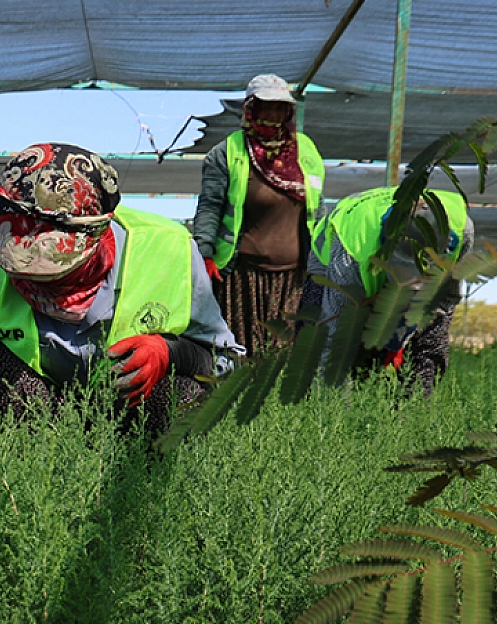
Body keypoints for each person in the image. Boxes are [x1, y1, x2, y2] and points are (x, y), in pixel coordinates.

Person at [0, 143, 242, 437]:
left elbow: (226, 360)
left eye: (52, 272)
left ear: (95, 238)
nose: (34, 284)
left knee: (184, 393)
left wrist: (172, 352)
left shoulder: (170, 252)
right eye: (22, 271)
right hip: (39, 415)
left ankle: (147, 491)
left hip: (129, 415)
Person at [191, 74, 325, 358]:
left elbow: (318, 208)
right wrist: (205, 254)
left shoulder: (306, 150)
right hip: (242, 276)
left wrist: (323, 257)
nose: (273, 114)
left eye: (279, 108)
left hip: (295, 277)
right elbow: (210, 206)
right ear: (251, 108)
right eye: (266, 106)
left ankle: (281, 404)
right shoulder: (228, 152)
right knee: (243, 353)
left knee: (284, 353)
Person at [306, 186, 475, 393]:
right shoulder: (350, 257)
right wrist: (341, 417)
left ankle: (415, 409)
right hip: (332, 248)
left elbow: (448, 298)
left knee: (432, 338)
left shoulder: (461, 228)